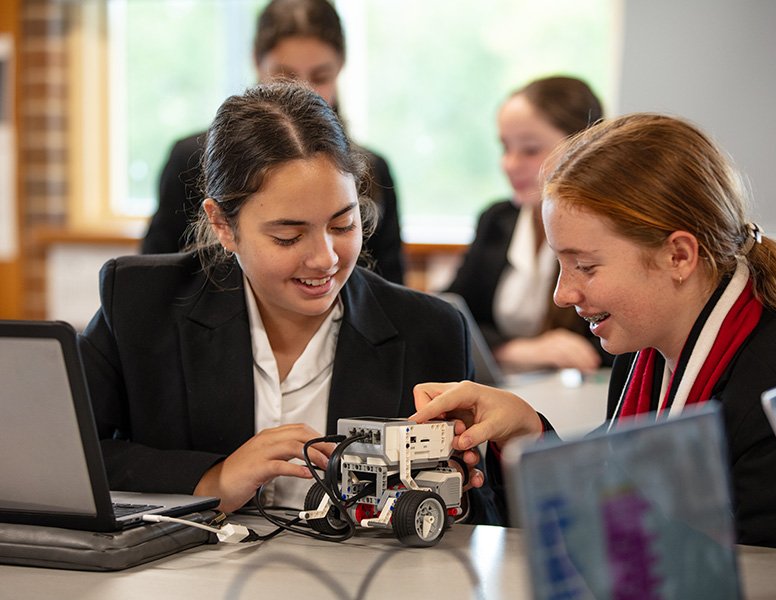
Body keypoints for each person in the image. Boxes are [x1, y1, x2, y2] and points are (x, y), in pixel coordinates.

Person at [79, 81, 493, 519]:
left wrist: (452, 492)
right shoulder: (141, 304)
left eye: (343, 225)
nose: (324, 258)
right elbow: (65, 453)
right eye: (288, 236)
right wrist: (213, 479)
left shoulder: (430, 330)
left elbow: (483, 515)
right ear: (222, 224)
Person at [412, 113, 776, 549]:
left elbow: (768, 574)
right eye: (559, 264)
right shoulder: (642, 351)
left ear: (678, 256)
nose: (562, 293)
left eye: (586, 266)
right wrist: (528, 433)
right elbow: (606, 499)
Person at [141, 0, 405, 285]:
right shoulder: (191, 160)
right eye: (285, 76)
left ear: (341, 67)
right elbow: (155, 282)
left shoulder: (372, 170)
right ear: (257, 60)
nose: (303, 90)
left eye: (321, 76)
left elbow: (389, 297)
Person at [446, 76, 609, 373]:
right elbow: (452, 316)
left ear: (584, 147)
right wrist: (518, 350)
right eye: (505, 147)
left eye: (530, 150)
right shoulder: (496, 219)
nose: (509, 164)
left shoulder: (608, 227)